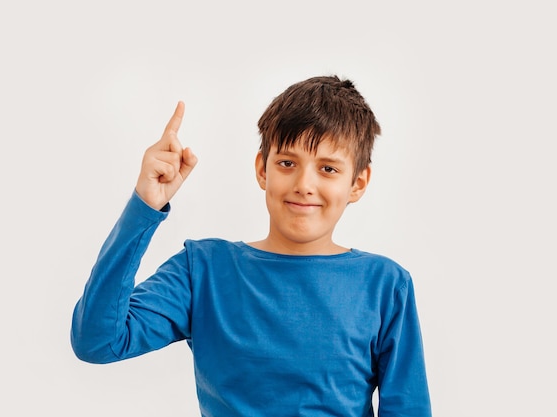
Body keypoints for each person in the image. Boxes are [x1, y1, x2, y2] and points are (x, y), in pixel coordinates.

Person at [71, 75, 432, 416]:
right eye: (288, 163)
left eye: (328, 169)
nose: (304, 184)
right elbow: (98, 341)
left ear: (358, 182)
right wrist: (144, 207)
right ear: (263, 169)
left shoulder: (385, 285)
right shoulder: (203, 270)